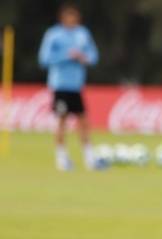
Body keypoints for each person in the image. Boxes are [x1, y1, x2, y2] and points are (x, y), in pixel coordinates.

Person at [38, 3, 102, 171]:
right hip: (60, 85)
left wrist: (82, 57)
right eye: (69, 17)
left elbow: (94, 57)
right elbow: (44, 59)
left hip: (76, 86)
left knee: (84, 121)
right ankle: (62, 159)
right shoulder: (53, 34)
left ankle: (90, 159)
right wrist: (66, 56)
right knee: (61, 121)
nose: (73, 20)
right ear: (63, 18)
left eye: (75, 18)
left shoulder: (83, 33)